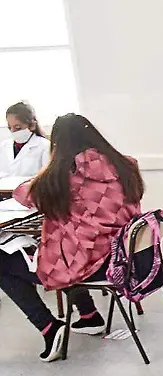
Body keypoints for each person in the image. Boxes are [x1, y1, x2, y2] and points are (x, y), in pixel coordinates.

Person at [0, 114, 146, 361]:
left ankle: (49, 327)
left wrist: (50, 170)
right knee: (64, 250)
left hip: (92, 264)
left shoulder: (66, 174)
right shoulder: (125, 165)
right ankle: (89, 316)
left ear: (58, 144)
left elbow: (25, 195)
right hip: (122, 256)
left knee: (6, 261)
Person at [1, 102, 51, 179]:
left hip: (31, 190)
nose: (13, 131)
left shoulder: (44, 146)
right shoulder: (4, 146)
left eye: (17, 127)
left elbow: (46, 178)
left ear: (32, 125)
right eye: (9, 127)